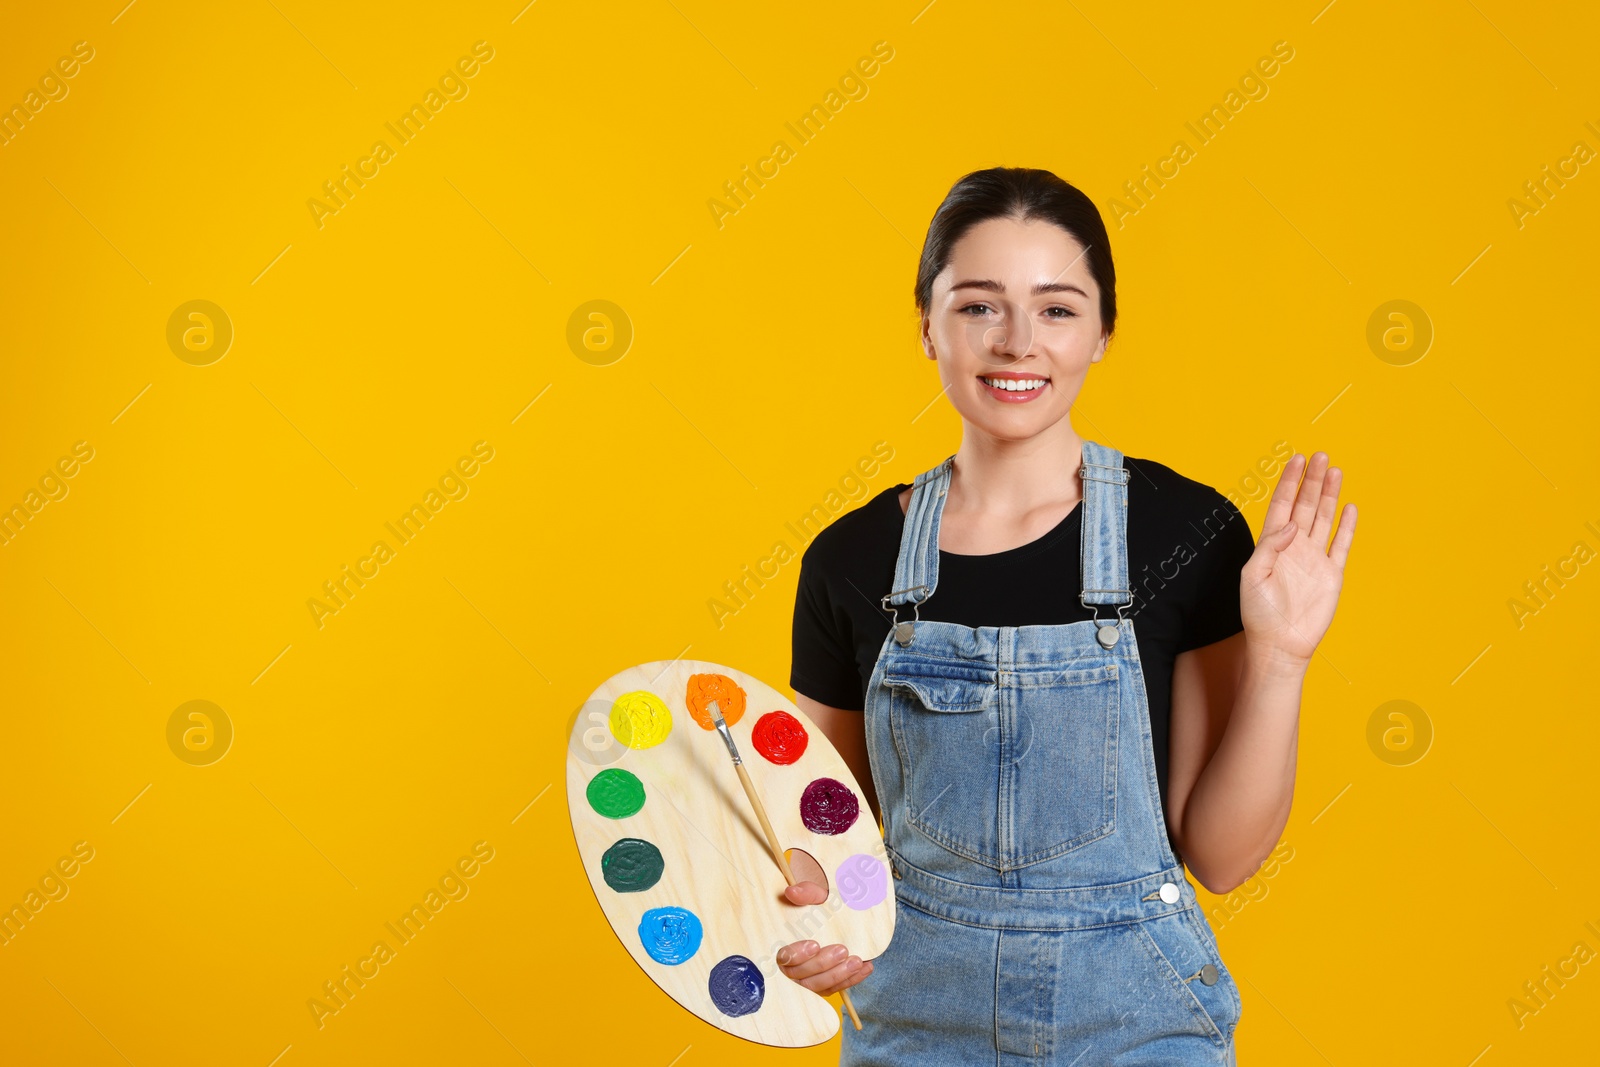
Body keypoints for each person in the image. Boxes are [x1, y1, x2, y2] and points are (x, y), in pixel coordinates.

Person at [777, 167, 1356, 1064]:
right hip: (917, 1031)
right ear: (927, 325)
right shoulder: (850, 561)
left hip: (1141, 1030)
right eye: (978, 306)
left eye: (1056, 309)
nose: (1016, 343)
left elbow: (1222, 855)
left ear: (1102, 332)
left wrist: (1281, 656)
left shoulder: (1185, 533)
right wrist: (810, 914)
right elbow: (825, 832)